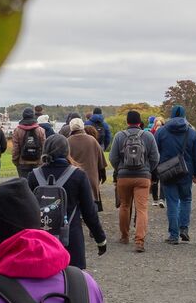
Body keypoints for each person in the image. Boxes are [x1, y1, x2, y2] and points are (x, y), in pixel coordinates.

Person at [27, 135, 108, 269]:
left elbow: (27, 211)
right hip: (70, 239)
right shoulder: (78, 175)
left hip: (42, 240)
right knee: (73, 283)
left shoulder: (34, 176)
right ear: (67, 151)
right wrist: (100, 239)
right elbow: (89, 212)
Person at [109, 110, 160, 252]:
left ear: (127, 122)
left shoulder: (119, 136)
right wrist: (148, 169)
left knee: (125, 206)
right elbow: (155, 157)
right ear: (139, 122)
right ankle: (139, 241)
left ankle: (124, 236)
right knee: (142, 208)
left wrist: (120, 169)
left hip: (123, 176)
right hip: (143, 176)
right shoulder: (148, 136)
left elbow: (113, 158)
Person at [154, 107, 196, 244]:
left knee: (172, 202)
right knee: (186, 199)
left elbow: (155, 152)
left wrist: (157, 170)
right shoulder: (192, 133)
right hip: (186, 171)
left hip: (167, 171)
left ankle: (173, 235)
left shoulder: (161, 131)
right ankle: (184, 229)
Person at [67, 118, 108, 211]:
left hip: (72, 176)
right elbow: (101, 160)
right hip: (90, 178)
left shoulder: (68, 141)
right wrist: (102, 174)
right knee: (90, 204)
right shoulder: (92, 140)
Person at [11, 107, 46, 179]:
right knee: (36, 185)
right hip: (37, 162)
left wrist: (15, 161)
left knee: (24, 185)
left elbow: (15, 149)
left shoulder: (17, 130)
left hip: (22, 162)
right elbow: (44, 147)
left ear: (23, 116)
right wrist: (43, 162)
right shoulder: (41, 130)